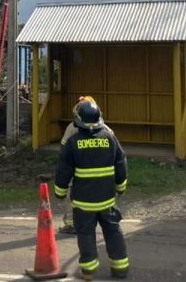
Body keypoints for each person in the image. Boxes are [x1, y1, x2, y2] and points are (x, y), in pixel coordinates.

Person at [55, 101, 129, 280]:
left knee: (86, 233)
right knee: (113, 231)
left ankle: (88, 271)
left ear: (78, 121)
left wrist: (60, 191)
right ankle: (120, 268)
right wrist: (121, 186)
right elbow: (121, 162)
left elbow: (63, 169)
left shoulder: (73, 142)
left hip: (83, 201)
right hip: (107, 199)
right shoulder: (110, 138)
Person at [58, 95, 114, 235]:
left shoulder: (72, 127)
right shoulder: (105, 129)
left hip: (78, 170)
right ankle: (103, 223)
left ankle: (72, 224)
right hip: (101, 172)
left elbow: (64, 149)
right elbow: (115, 147)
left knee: (73, 196)